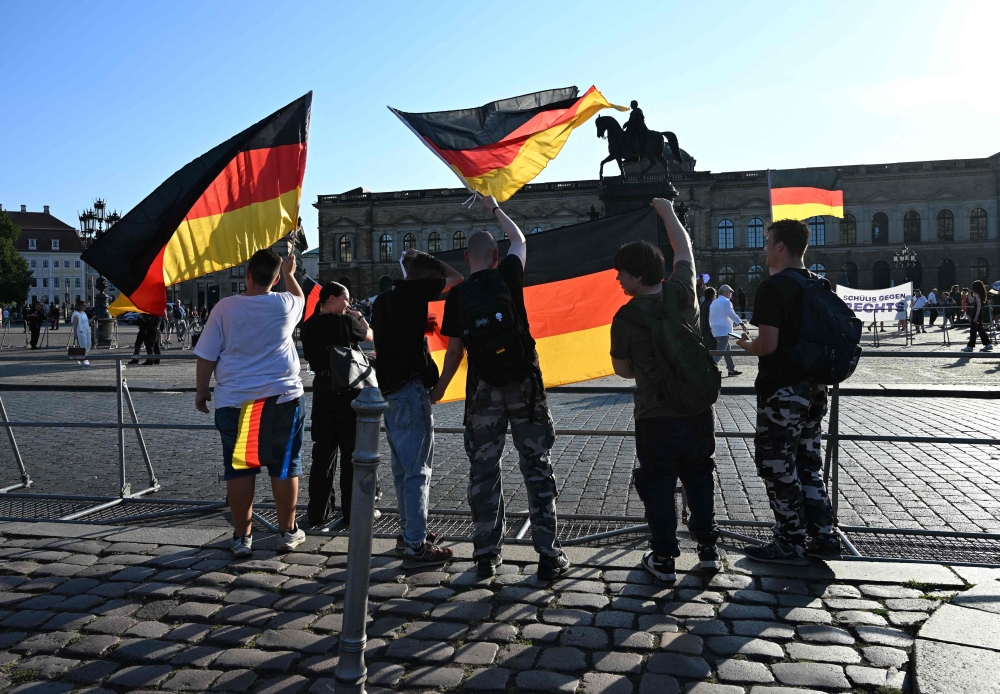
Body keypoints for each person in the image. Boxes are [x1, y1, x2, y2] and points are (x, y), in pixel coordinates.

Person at [431, 195, 570, 581]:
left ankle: (487, 555)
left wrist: (440, 389)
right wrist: (495, 208)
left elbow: (455, 351)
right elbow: (520, 239)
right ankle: (548, 555)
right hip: (525, 386)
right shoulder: (509, 274)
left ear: (467, 260)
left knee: (483, 471)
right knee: (537, 467)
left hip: (483, 392)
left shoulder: (457, 296)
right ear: (495, 257)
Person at [610, 198, 721, 581]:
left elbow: (622, 371)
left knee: (658, 484)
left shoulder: (624, 317)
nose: (618, 280)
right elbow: (684, 250)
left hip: (655, 415)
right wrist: (666, 211)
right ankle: (708, 550)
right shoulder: (682, 293)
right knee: (700, 474)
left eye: (622, 273)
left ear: (638, 276)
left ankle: (664, 559)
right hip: (696, 409)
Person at [736, 219, 839, 564]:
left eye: (768, 242)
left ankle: (789, 541)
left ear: (781, 246)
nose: (765, 249)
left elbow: (768, 345)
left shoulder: (774, 287)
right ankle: (824, 536)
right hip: (814, 391)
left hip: (782, 392)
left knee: (777, 464)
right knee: (808, 463)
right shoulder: (818, 284)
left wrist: (747, 345)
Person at [195, 248, 307, 556]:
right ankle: (288, 531)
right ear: (274, 278)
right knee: (284, 466)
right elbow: (302, 299)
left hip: (237, 402)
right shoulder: (286, 304)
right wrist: (289, 274)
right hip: (282, 399)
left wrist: (202, 391)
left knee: (240, 469)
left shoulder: (225, 308)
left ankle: (242, 537)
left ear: (247, 275)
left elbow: (206, 356)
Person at [371, 248, 463, 567]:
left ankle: (407, 532)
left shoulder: (383, 300)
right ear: (426, 277)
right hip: (411, 390)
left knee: (402, 469)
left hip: (389, 391)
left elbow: (393, 338)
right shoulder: (416, 289)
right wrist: (430, 259)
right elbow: (456, 278)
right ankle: (415, 545)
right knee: (418, 471)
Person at [300, 282, 381, 527]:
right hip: (347, 393)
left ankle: (318, 511)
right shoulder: (345, 322)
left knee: (323, 452)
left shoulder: (308, 325)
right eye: (346, 300)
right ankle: (351, 510)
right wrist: (361, 318)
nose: (349, 305)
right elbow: (370, 336)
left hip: (323, 391)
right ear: (333, 299)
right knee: (350, 453)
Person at [710, 284, 743, 376]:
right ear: (726, 293)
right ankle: (709, 368)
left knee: (727, 350)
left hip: (716, 330)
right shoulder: (726, 302)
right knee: (721, 351)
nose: (731, 295)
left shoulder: (714, 302)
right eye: (730, 293)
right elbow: (732, 314)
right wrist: (741, 323)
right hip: (723, 331)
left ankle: (731, 369)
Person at [962, 280, 993, 353]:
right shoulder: (978, 294)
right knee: (980, 330)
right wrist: (969, 293)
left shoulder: (978, 295)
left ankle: (970, 346)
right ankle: (988, 344)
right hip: (978, 313)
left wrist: (976, 317)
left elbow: (978, 306)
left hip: (977, 313)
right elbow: (970, 301)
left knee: (973, 330)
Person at [70, 300, 92, 367]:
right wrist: (75, 334)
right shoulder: (76, 314)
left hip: (87, 331)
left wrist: (92, 319)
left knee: (89, 344)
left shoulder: (84, 313)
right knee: (83, 346)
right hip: (80, 331)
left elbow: (87, 322)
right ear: (79, 306)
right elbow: (75, 325)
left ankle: (81, 357)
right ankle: (83, 360)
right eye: (84, 305)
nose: (85, 306)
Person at [700, 286, 717, 351]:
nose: (716, 296)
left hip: (703, 331)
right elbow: (711, 319)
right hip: (709, 333)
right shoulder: (711, 304)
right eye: (715, 294)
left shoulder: (703, 303)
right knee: (712, 352)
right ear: (712, 295)